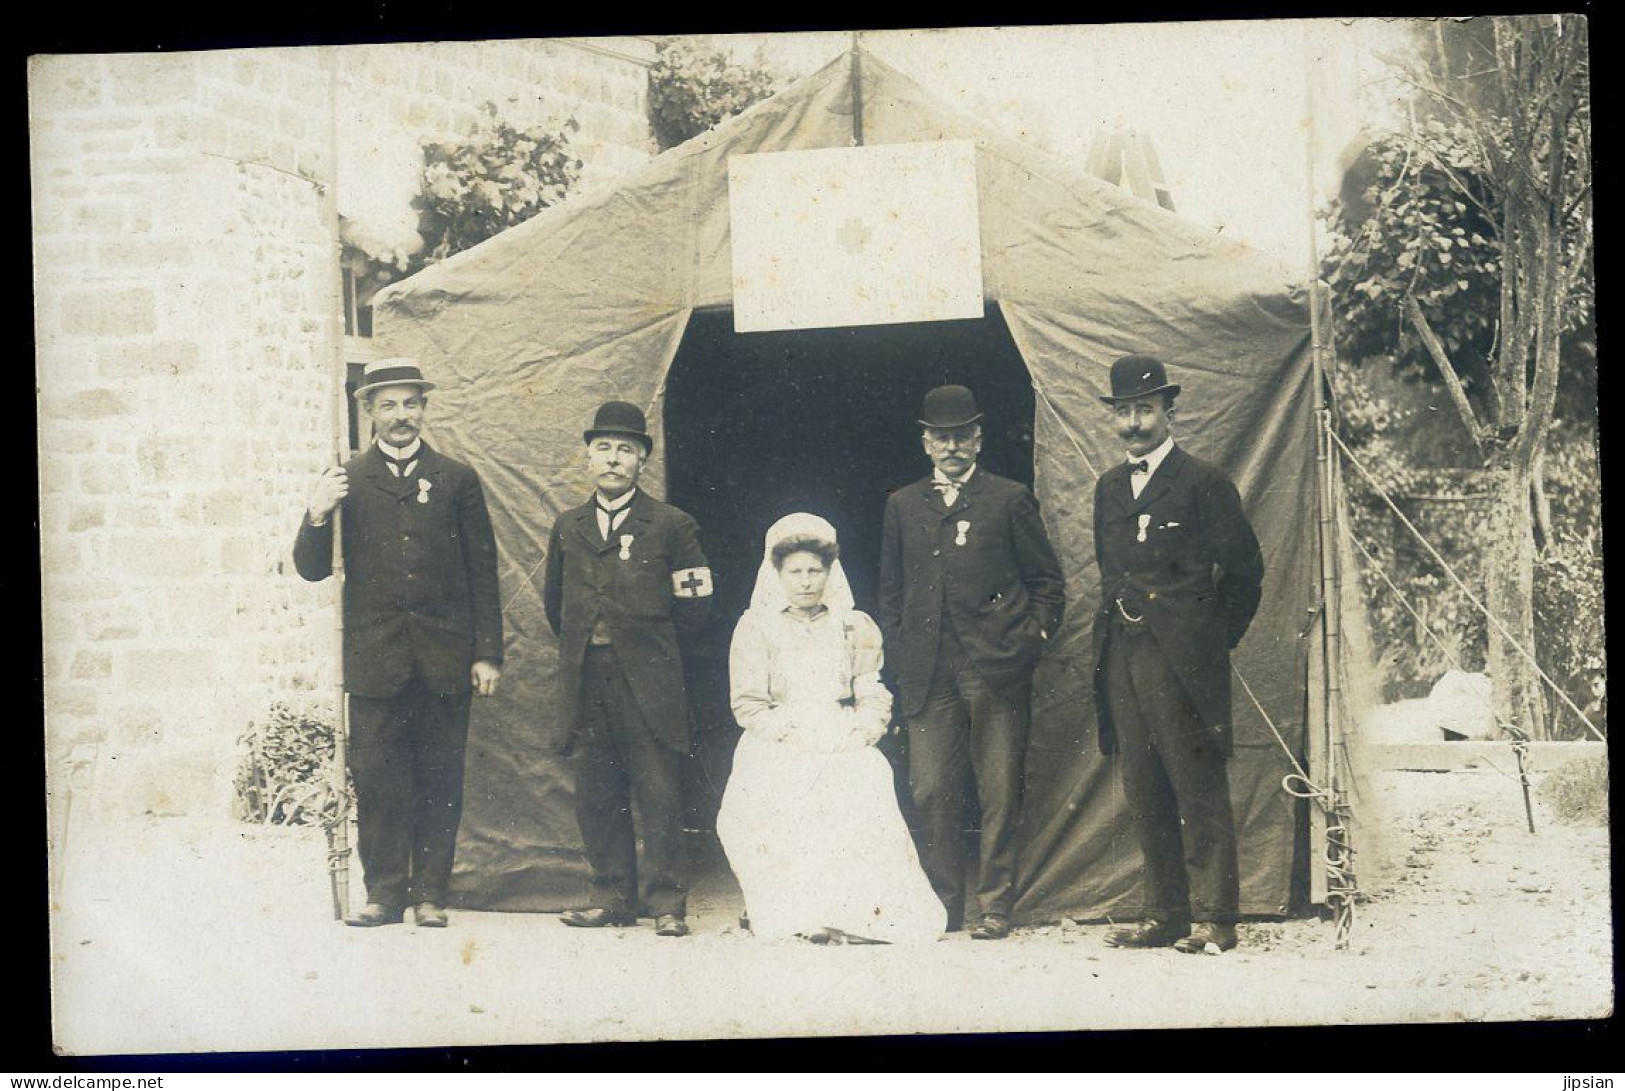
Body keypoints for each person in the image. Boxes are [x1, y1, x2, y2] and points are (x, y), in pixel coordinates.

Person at [294, 357, 504, 929]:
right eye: (388, 404)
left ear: (425, 409)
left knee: (440, 778)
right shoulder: (347, 480)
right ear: (369, 413)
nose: (401, 415)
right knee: (381, 780)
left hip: (445, 660)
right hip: (375, 660)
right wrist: (316, 513)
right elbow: (312, 569)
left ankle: (431, 894)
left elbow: (482, 571)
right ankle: (384, 894)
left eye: (411, 403)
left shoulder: (458, 480)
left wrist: (487, 652)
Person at [1091, 354, 1264, 955]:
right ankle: (1163, 914)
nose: (1134, 423)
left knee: (1197, 786)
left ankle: (1216, 918)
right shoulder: (1109, 489)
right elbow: (1112, 574)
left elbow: (1245, 575)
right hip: (1124, 656)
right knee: (1143, 786)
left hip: (1183, 663)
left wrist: (1209, 643)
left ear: (1169, 410)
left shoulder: (1203, 483)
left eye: (1145, 409)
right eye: (1124, 412)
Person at [878, 384, 1065, 940]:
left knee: (999, 787)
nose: (952, 446)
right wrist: (900, 648)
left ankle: (995, 905)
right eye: (941, 437)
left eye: (962, 435)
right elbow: (889, 592)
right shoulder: (903, 505)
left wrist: (1028, 640)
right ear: (926, 443)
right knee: (931, 786)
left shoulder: (1008, 498)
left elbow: (1047, 584)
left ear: (978, 439)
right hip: (927, 669)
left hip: (995, 667)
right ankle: (943, 901)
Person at [719, 514, 946, 946]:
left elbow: (871, 687)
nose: (806, 581)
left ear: (829, 573)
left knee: (864, 780)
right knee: (774, 791)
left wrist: (864, 729)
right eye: (795, 572)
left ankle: (853, 913)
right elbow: (748, 704)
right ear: (778, 575)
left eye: (814, 570)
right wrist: (795, 733)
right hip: (781, 735)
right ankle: (800, 911)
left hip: (842, 731)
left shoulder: (853, 625)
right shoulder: (756, 627)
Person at [541, 401, 712, 937]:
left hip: (649, 680)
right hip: (587, 677)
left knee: (658, 789)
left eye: (625, 450)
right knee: (596, 791)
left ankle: (667, 903)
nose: (612, 460)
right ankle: (611, 896)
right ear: (588, 459)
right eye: (603, 450)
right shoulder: (567, 527)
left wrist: (651, 652)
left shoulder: (671, 525)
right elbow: (555, 606)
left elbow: (697, 603)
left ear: (642, 460)